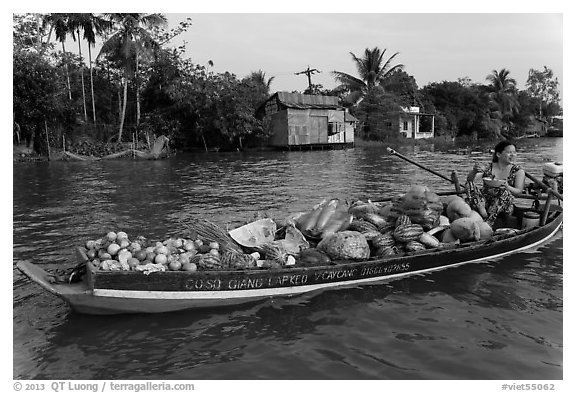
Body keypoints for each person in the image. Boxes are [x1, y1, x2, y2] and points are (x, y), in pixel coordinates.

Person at [465, 141, 526, 227]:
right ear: (498, 154)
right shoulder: (489, 167)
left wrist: (507, 187)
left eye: (514, 152)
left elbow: (519, 192)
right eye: (509, 152)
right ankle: (481, 209)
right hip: (484, 201)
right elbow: (471, 180)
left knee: (505, 192)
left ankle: (488, 222)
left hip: (504, 204)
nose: (513, 155)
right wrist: (474, 171)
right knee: (469, 184)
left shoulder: (518, 171)